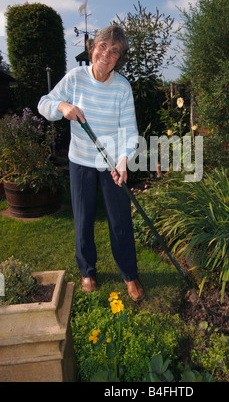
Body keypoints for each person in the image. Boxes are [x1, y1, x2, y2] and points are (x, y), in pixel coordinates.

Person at [38, 24, 144, 301]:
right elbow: (44, 103)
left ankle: (129, 275)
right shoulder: (75, 78)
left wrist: (122, 161)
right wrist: (62, 107)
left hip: (112, 163)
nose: (106, 54)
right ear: (92, 49)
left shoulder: (122, 87)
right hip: (81, 161)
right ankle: (87, 270)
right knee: (83, 219)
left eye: (114, 51)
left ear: (119, 58)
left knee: (120, 221)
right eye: (102, 47)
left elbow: (129, 132)